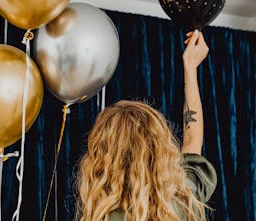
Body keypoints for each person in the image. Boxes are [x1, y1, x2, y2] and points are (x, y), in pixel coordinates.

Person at [76, 29, 217, 221]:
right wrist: (190, 67)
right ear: (159, 146)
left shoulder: (102, 215)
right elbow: (192, 139)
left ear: (102, 155)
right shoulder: (184, 197)